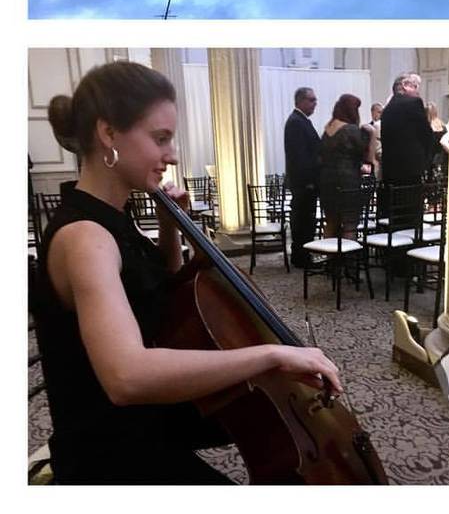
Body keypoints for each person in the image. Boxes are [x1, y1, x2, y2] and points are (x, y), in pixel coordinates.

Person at [34, 62, 343, 484]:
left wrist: (167, 228)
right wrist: (271, 355)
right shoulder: (85, 237)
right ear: (109, 135)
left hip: (150, 424)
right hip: (111, 454)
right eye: (160, 138)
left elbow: (164, 300)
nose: (173, 154)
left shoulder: (114, 218)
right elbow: (126, 376)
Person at [317, 94, 376, 240]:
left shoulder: (328, 130)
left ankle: (329, 258)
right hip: (347, 181)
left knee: (331, 222)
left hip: (326, 181)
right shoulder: (351, 130)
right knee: (350, 223)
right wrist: (373, 134)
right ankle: (349, 259)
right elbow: (368, 158)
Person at [284, 87, 322, 268]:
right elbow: (300, 157)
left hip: (305, 182)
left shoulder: (301, 121)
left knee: (306, 220)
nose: (315, 103)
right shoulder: (296, 122)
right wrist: (308, 181)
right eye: (312, 100)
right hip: (304, 183)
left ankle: (303, 255)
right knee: (303, 221)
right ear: (300, 101)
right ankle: (301, 257)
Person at [380, 72, 434, 187]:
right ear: (404, 85)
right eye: (414, 86)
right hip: (411, 169)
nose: (417, 91)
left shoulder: (387, 109)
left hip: (390, 169)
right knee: (411, 202)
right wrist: (426, 163)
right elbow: (426, 135)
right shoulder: (414, 103)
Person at [425, 102, 448, 183]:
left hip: (431, 156)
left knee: (430, 180)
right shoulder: (443, 125)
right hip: (441, 156)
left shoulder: (428, 126)